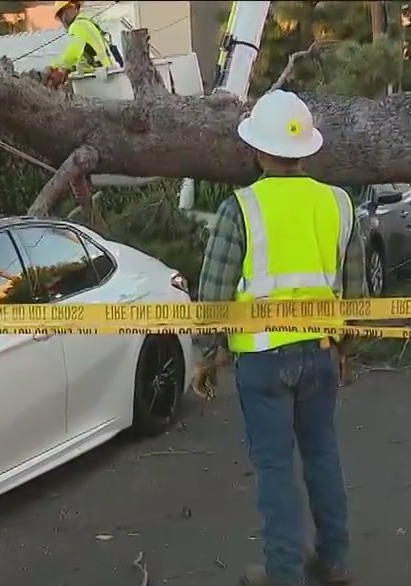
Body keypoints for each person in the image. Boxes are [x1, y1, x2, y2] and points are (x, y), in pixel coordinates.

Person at [193, 89, 366, 586]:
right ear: (306, 149)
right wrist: (345, 350)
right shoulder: (339, 204)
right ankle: (332, 562)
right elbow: (355, 294)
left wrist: (210, 353)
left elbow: (214, 295)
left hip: (263, 362)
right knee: (322, 455)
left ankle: (284, 574)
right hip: (320, 355)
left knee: (274, 470)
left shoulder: (241, 208)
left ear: (258, 150)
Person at [46, 0, 122, 89]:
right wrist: (69, 69)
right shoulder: (86, 23)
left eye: (63, 13)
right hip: (106, 75)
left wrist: (54, 66)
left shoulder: (78, 25)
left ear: (72, 7)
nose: (63, 19)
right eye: (60, 16)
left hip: (99, 79)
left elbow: (73, 54)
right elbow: (83, 58)